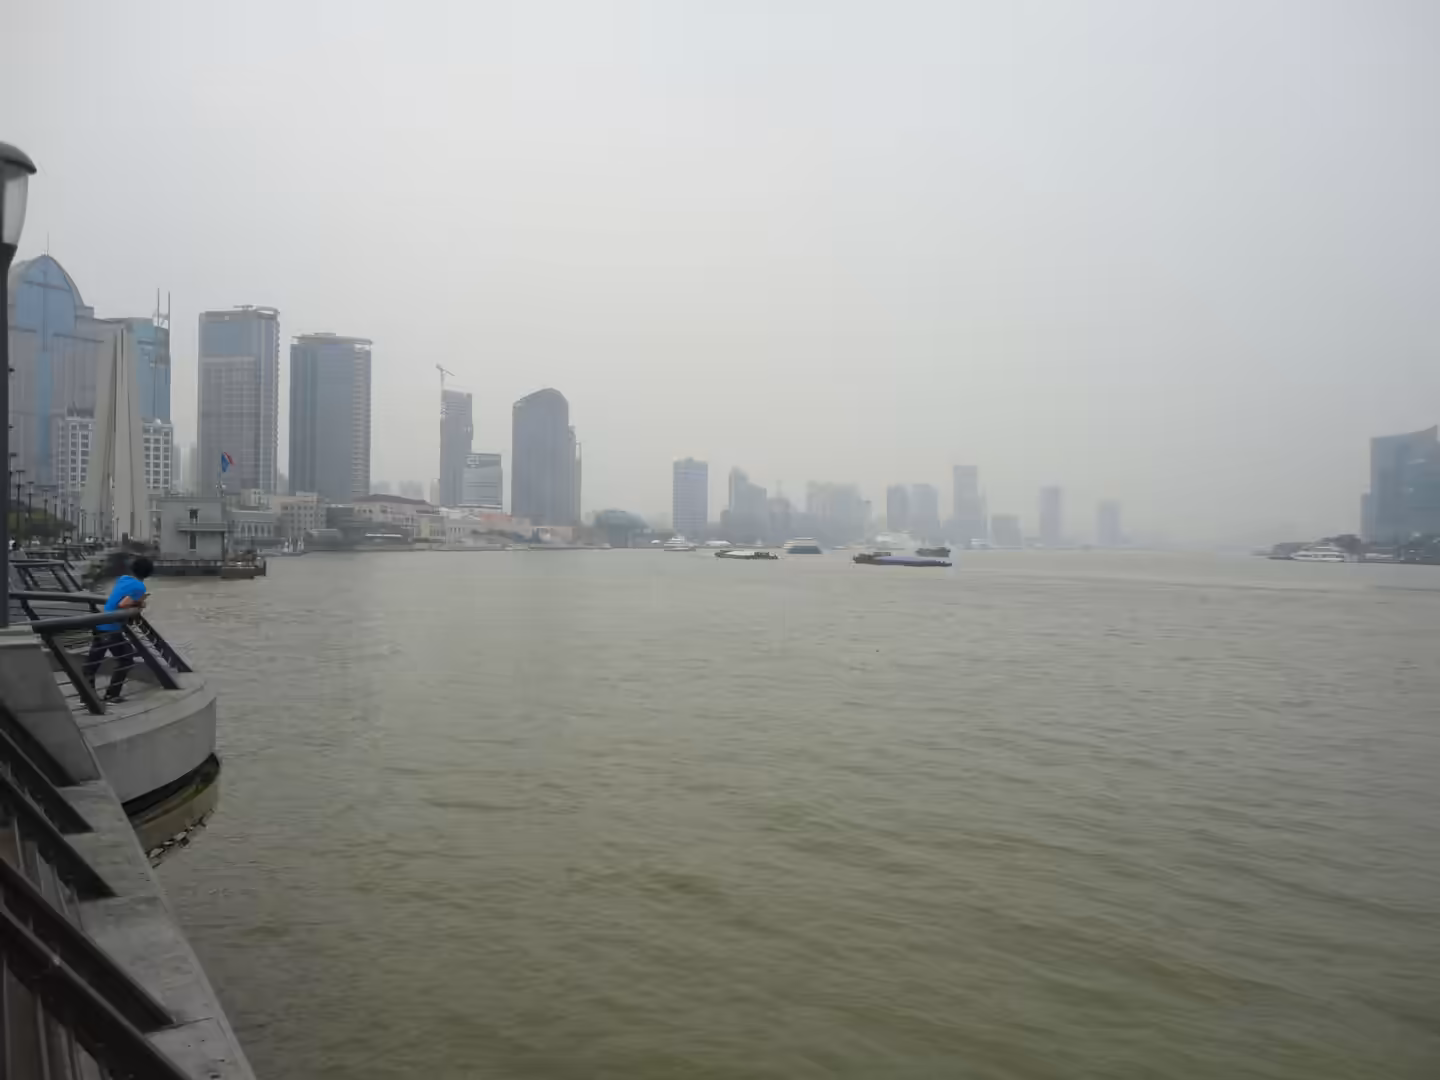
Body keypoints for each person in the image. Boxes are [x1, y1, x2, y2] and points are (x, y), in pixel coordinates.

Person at [84, 556, 153, 703]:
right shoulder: (140, 587)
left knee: (93, 662)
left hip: (100, 623)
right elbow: (123, 604)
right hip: (111, 628)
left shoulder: (123, 579)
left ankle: (86, 696)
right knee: (126, 659)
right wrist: (139, 603)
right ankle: (111, 695)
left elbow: (117, 600)